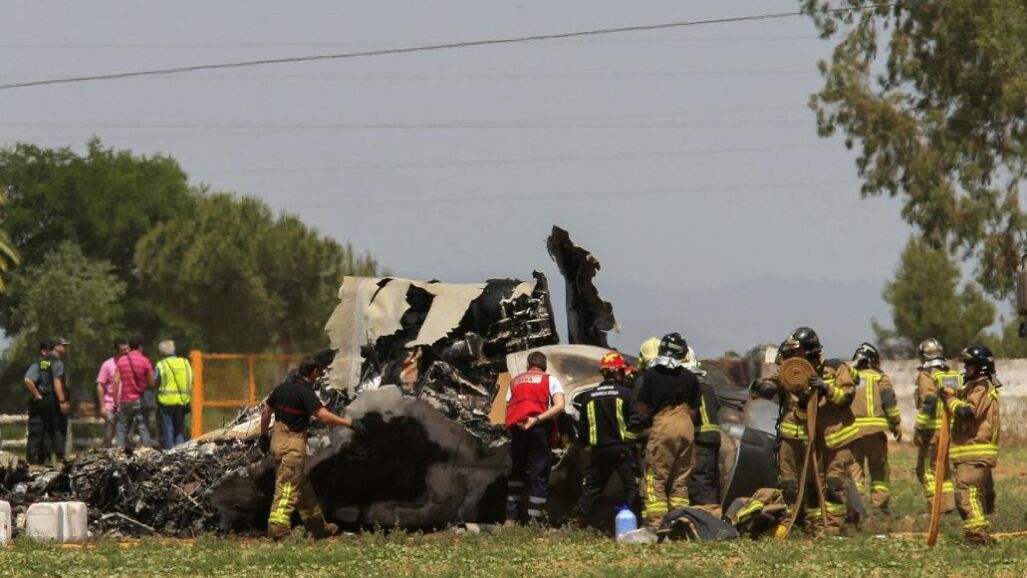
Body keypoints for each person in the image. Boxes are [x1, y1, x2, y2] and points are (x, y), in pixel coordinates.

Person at [750, 327, 857, 536]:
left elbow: (847, 397)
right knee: (803, 485)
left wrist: (826, 388)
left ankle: (830, 529)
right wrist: (763, 387)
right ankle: (806, 527)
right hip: (805, 437)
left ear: (809, 350)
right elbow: (771, 382)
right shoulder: (792, 368)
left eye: (797, 351)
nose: (793, 355)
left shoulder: (835, 368)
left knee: (833, 484)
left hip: (837, 437)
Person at [260, 357, 356, 540]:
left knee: (302, 489)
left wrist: (264, 436)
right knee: (287, 488)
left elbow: (266, 412)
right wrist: (349, 423)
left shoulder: (282, 388)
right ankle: (278, 530)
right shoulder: (304, 392)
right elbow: (323, 416)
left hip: (277, 442)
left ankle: (318, 528)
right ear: (314, 372)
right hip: (292, 445)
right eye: (318, 373)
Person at [634, 332, 700, 531]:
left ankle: (657, 525)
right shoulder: (691, 377)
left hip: (664, 425)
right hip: (686, 426)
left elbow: (643, 407)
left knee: (655, 477)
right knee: (680, 479)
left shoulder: (652, 374)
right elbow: (694, 411)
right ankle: (679, 523)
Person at [570, 351, 642, 525]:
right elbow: (636, 420)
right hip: (622, 450)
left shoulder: (589, 397)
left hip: (599, 452)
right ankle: (630, 521)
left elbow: (583, 429)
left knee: (592, 488)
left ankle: (577, 520)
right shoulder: (626, 394)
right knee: (632, 487)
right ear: (617, 372)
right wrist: (632, 442)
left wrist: (583, 447)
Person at [941, 344, 1000, 546]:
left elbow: (968, 412)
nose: (965, 369)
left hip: (976, 451)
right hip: (970, 452)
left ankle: (976, 536)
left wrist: (949, 400)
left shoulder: (982, 386)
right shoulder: (974, 386)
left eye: (969, 365)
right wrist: (946, 387)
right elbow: (958, 389)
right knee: (974, 494)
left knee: (967, 493)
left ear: (981, 366)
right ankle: (979, 533)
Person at [504, 350, 566, 526]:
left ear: (528, 365)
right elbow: (560, 406)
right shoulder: (550, 380)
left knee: (517, 472)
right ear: (544, 366)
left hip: (518, 429)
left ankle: (510, 518)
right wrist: (537, 419)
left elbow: (508, 407)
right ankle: (534, 520)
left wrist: (510, 429)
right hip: (539, 428)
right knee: (539, 473)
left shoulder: (514, 381)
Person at [848, 342, 902, 513]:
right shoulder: (879, 377)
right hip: (874, 432)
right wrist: (896, 424)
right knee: (879, 468)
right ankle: (879, 507)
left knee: (854, 469)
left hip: (852, 433)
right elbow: (889, 403)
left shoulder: (848, 377)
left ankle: (855, 508)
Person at [913, 338, 958, 513]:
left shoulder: (927, 374)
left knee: (924, 470)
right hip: (951, 430)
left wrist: (919, 428)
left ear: (924, 356)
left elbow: (929, 402)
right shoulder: (951, 373)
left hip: (933, 430)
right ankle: (948, 505)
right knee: (944, 470)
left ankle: (935, 507)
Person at [685, 346, 722, 512]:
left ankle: (706, 516)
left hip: (701, 439)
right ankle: (714, 513)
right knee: (711, 479)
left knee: (700, 480)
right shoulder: (707, 386)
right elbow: (717, 406)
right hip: (714, 438)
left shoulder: (690, 387)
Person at [24, 340, 68, 465]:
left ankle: (32, 461)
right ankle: (48, 460)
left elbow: (28, 379)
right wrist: (62, 400)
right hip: (50, 400)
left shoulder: (39, 363)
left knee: (37, 431)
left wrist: (37, 394)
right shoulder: (56, 363)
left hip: (39, 402)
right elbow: (28, 380)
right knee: (50, 430)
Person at [115, 338, 155, 449]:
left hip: (125, 400)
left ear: (130, 347)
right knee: (143, 427)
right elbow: (152, 382)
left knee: (122, 428)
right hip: (139, 399)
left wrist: (115, 401)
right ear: (140, 347)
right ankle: (146, 453)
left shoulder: (121, 361)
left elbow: (116, 381)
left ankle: (120, 452)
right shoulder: (145, 360)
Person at [154, 340, 193, 449]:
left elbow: (155, 381)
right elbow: (192, 379)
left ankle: (169, 453)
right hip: (183, 401)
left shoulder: (161, 365)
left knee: (168, 429)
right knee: (179, 429)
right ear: (174, 349)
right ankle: (180, 452)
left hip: (166, 401)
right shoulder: (185, 363)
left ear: (161, 352)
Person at [95, 338, 127, 448]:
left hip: (127, 404)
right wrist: (102, 406)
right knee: (109, 433)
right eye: (122, 350)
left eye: (127, 349)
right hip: (111, 405)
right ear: (116, 350)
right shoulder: (107, 365)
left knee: (125, 435)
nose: (125, 353)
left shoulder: (130, 364)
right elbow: (100, 385)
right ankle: (106, 451)